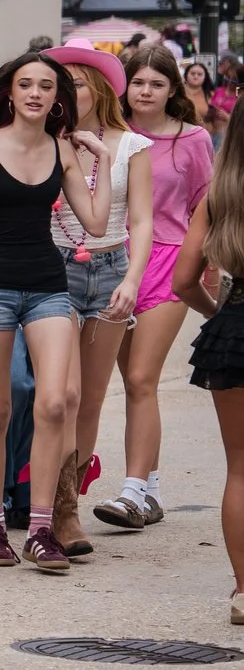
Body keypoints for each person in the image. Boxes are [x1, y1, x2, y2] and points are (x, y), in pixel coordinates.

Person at [0, 52, 112, 573]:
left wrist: (101, 161)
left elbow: (97, 224)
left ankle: (42, 529)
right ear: (11, 93)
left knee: (55, 403)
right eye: (26, 85)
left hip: (47, 288)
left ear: (56, 98)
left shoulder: (64, 151)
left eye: (46, 86)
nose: (36, 93)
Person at [43, 45, 151, 554]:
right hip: (54, 267)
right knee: (62, 394)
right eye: (60, 85)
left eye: (77, 84)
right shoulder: (46, 142)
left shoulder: (132, 145)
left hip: (110, 270)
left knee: (90, 399)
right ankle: (58, 511)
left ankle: (69, 502)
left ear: (101, 91)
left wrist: (132, 279)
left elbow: (143, 221)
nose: (67, 94)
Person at [107, 42, 217, 528]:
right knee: (127, 379)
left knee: (140, 379)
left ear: (173, 88)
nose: (146, 91)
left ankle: (131, 493)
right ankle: (148, 488)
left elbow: (203, 207)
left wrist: (206, 272)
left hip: (169, 263)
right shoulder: (109, 134)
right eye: (138, 82)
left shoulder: (193, 139)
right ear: (124, 87)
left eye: (156, 83)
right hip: (112, 261)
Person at [172, 119, 244, 621]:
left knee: (240, 468)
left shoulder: (220, 196)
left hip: (236, 325)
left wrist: (220, 315)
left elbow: (183, 281)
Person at [186, 59, 230, 145]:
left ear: (205, 76)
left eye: (199, 74)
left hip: (211, 138)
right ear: (186, 75)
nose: (196, 76)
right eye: (192, 73)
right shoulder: (179, 92)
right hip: (187, 136)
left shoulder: (212, 94)